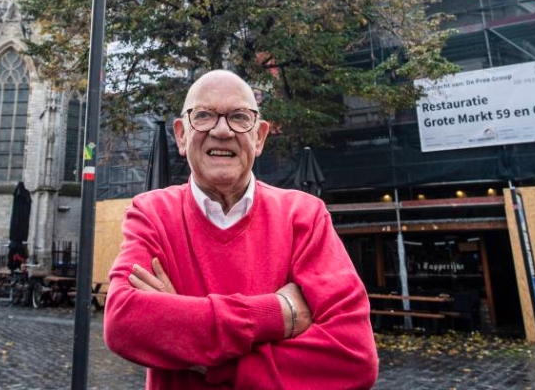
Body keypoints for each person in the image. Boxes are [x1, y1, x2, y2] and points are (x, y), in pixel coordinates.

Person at [104, 70, 378, 389]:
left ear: (259, 137)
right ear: (181, 135)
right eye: (203, 115)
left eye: (239, 117)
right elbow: (125, 322)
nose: (222, 131)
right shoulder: (152, 213)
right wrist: (279, 312)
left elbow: (354, 358)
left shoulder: (304, 215)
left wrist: (204, 353)